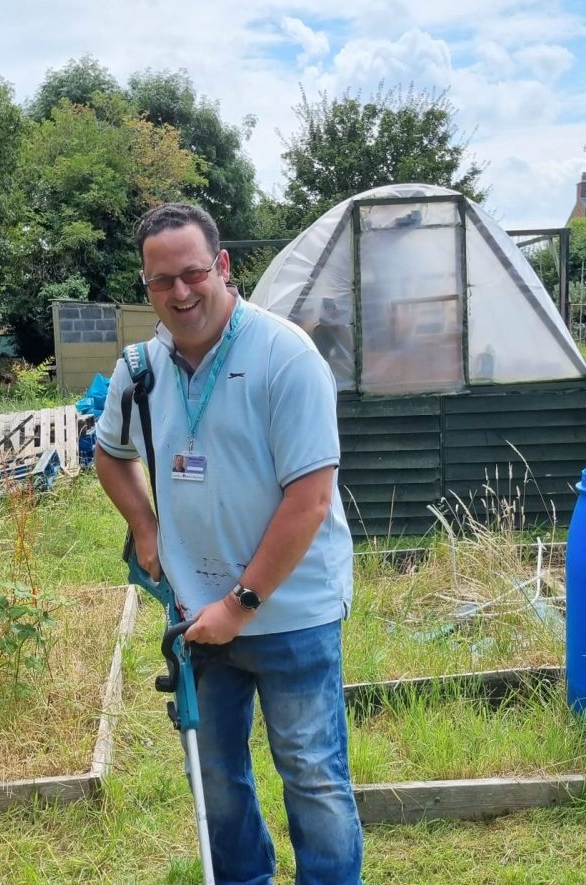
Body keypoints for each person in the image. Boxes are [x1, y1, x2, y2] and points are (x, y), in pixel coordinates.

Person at [95, 203, 363, 884]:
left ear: (222, 267)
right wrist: (147, 528)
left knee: (311, 774)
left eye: (192, 273)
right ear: (146, 285)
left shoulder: (285, 357)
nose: (180, 293)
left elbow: (310, 499)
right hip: (194, 614)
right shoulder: (139, 369)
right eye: (162, 281)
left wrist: (241, 603)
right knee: (215, 774)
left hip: (291, 613)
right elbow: (109, 452)